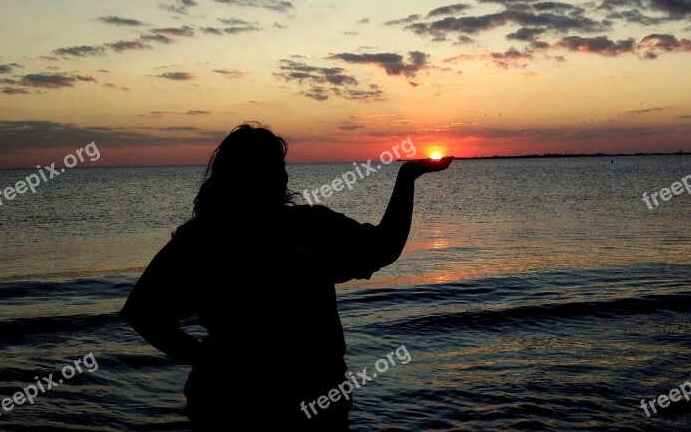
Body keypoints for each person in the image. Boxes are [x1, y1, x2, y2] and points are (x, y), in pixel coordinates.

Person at [121, 123, 452, 430]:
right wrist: (205, 359)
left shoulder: (311, 225)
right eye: (268, 166)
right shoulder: (202, 239)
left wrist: (406, 178)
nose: (279, 174)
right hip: (232, 407)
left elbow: (382, 248)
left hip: (316, 401)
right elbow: (142, 312)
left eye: (279, 166)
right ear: (238, 175)